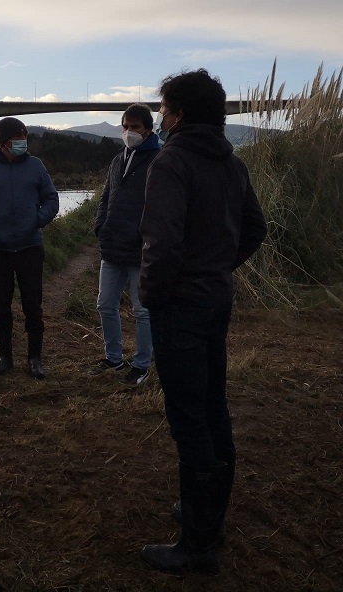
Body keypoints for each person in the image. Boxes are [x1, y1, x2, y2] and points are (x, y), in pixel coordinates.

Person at [138, 69, 267, 575]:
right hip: (216, 299)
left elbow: (162, 245)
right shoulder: (231, 162)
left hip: (180, 308)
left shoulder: (171, 162)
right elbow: (255, 228)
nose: (160, 118)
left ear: (181, 114)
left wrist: (153, 295)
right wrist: (216, 268)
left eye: (164, 109)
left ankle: (198, 545)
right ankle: (207, 513)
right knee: (213, 406)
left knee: (188, 417)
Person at [0, 117, 59, 378]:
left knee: (33, 304)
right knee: (1, 305)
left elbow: (51, 198)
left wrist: (37, 221)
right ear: (5, 141)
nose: (23, 141)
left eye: (24, 136)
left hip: (30, 247)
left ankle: (35, 359)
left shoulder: (36, 166)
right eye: (18, 137)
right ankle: (5, 357)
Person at [90, 103, 160, 386]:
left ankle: (142, 364)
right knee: (105, 304)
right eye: (125, 126)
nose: (129, 132)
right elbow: (107, 197)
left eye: (135, 127)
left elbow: (161, 205)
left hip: (141, 249)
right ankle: (114, 358)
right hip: (112, 246)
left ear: (148, 130)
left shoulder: (159, 158)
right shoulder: (119, 159)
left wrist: (147, 237)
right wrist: (101, 226)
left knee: (142, 310)